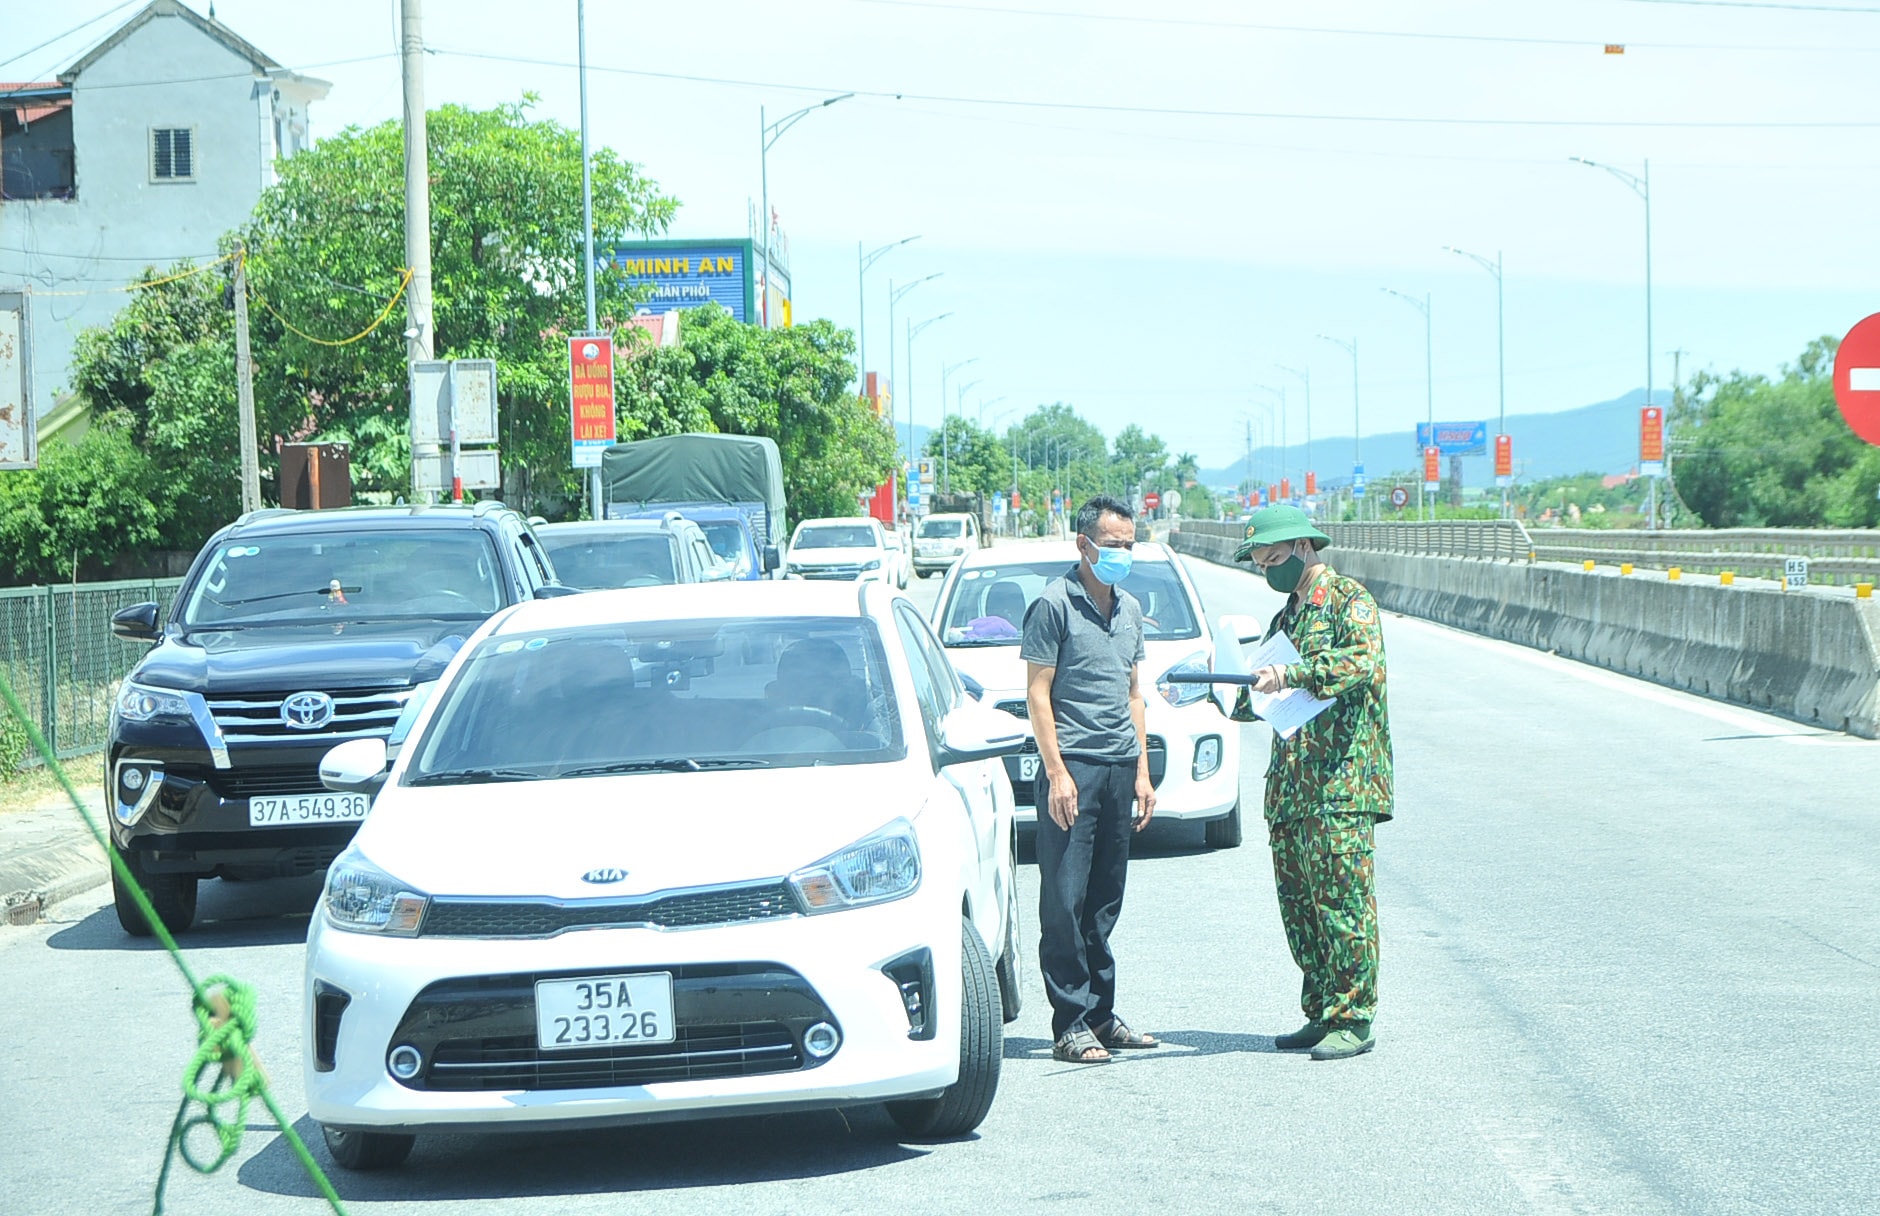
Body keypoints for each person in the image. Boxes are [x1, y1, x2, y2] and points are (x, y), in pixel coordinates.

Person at [1225, 504, 1393, 1062]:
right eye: (1259, 562)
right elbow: (1268, 701)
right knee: (1300, 907)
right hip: (1293, 790)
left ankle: (1354, 1016)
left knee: (1343, 902)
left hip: (1341, 784)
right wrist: (1218, 693)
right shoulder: (1285, 619)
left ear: (1302, 548)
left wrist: (1292, 672)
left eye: (1274, 558)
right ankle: (1321, 1010)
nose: (1268, 569)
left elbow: (1359, 663)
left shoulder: (1349, 600)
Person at [1021, 495, 1159, 1064]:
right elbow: (1037, 694)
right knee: (1064, 901)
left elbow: (1133, 695)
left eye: (1129, 545)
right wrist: (1056, 774)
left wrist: (1144, 772)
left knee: (1104, 900)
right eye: (1113, 545)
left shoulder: (1128, 609)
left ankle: (1102, 1015)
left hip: (1119, 768)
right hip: (1072, 769)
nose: (1122, 554)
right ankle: (1070, 1022)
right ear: (1084, 545)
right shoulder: (1053, 606)